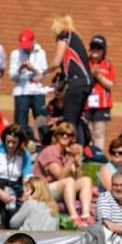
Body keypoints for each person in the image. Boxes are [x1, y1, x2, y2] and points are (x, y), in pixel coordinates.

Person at [44, 15, 92, 147]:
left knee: (69, 121)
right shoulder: (75, 38)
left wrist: (42, 73)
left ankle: (70, 152)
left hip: (77, 83)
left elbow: (56, 61)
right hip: (85, 83)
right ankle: (79, 151)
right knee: (75, 120)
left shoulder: (65, 35)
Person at [33, 122, 93, 225]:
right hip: (42, 189)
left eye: (69, 134)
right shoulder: (50, 151)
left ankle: (85, 215)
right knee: (68, 181)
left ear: (72, 138)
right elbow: (60, 176)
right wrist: (71, 159)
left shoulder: (66, 154)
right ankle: (73, 217)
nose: (65, 136)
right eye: (62, 133)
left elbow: (78, 178)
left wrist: (77, 162)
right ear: (56, 135)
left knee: (86, 180)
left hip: (57, 188)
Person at [0, 125, 32, 228]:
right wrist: (0, 193)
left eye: (14, 142)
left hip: (13, 193)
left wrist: (26, 193)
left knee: (14, 223)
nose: (10, 145)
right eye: (8, 141)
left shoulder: (24, 154)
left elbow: (26, 179)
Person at [9, 28, 48, 140]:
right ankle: (22, 145)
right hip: (21, 91)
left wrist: (33, 69)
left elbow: (44, 75)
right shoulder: (15, 54)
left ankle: (44, 144)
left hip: (37, 91)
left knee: (41, 121)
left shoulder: (41, 52)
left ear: (33, 41)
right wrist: (19, 69)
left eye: (28, 45)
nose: (25, 48)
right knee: (20, 124)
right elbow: (12, 76)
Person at [86, 36, 115, 152]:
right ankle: (87, 158)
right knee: (87, 134)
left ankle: (98, 157)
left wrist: (98, 75)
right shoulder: (84, 62)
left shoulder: (108, 64)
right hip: (85, 104)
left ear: (104, 50)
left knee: (98, 133)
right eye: (93, 47)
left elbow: (110, 84)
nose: (95, 50)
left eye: (99, 47)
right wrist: (90, 75)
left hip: (102, 105)